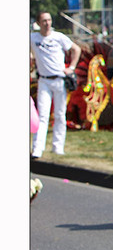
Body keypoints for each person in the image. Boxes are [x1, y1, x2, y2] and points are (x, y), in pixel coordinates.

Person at [30, 12, 81, 159]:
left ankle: (58, 147)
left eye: (49, 20)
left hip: (59, 79)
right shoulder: (33, 38)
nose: (47, 23)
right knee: (43, 115)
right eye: (44, 21)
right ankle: (37, 148)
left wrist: (71, 68)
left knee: (59, 114)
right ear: (39, 23)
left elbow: (76, 49)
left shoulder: (58, 37)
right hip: (44, 80)